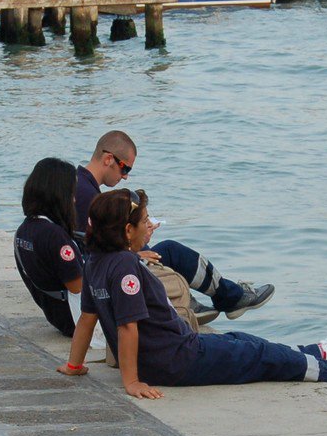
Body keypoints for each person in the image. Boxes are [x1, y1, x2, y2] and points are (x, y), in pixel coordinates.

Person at [61, 189, 327, 402]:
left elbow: (88, 320)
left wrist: (75, 364)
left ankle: (316, 353)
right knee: (263, 357)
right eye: (145, 222)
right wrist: (133, 381)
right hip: (177, 359)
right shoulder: (124, 267)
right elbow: (127, 327)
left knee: (243, 340)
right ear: (126, 231)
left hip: (172, 354)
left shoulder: (96, 262)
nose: (150, 227)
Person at [74, 130, 274, 320]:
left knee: (155, 249)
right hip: (102, 283)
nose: (125, 176)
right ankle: (228, 297)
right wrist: (134, 253)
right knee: (171, 250)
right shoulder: (88, 196)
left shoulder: (79, 185)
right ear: (108, 159)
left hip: (98, 276)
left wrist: (137, 236)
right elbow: (96, 251)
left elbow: (95, 243)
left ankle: (199, 298)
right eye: (125, 168)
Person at [14, 157, 84, 335]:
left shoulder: (24, 230)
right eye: (71, 193)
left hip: (57, 314)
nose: (74, 200)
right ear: (59, 194)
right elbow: (78, 287)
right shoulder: (55, 237)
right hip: (76, 319)